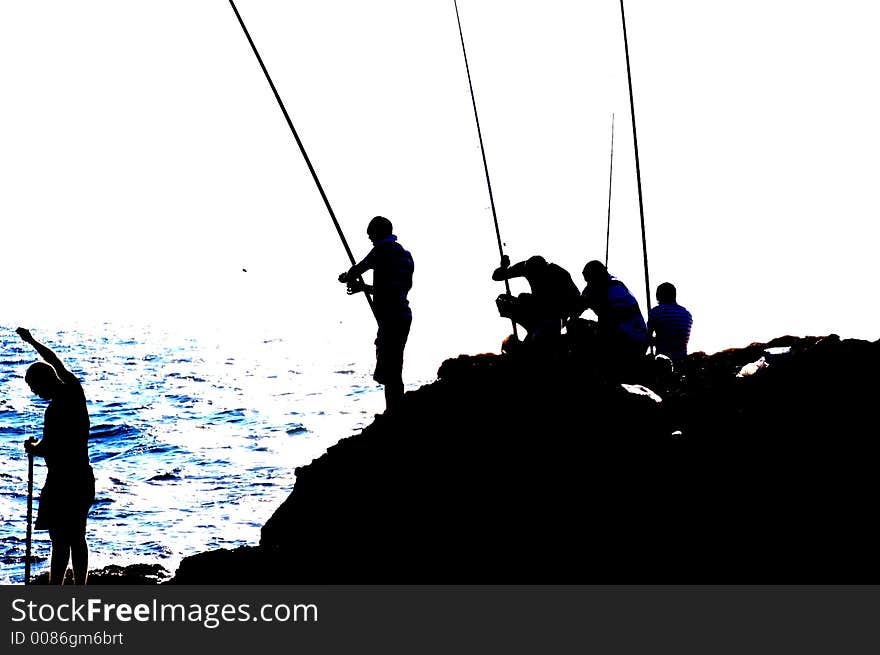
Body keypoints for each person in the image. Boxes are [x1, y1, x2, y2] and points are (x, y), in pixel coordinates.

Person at [17, 327, 95, 585]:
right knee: (66, 538)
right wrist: (36, 448)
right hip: (69, 478)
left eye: (33, 387)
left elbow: (54, 361)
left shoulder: (71, 391)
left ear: (43, 381)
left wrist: (32, 341)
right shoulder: (66, 399)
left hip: (69, 480)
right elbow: (50, 446)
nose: (34, 393)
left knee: (68, 538)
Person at [338, 216, 414, 411]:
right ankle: (395, 409)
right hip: (403, 316)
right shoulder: (405, 255)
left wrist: (346, 277)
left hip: (390, 319)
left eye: (371, 235)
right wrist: (363, 288)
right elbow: (390, 289)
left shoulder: (381, 251)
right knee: (395, 366)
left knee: (390, 370)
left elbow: (357, 269)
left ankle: (394, 412)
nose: (370, 239)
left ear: (378, 233)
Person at [491, 255, 580, 344]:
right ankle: (532, 329)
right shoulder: (524, 267)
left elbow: (576, 296)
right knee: (505, 299)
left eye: (537, 274)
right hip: (536, 307)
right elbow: (497, 276)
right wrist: (503, 267)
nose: (534, 277)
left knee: (526, 299)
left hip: (554, 310)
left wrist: (568, 320)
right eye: (531, 274)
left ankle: (540, 332)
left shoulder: (560, 273)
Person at [577, 260, 648, 368]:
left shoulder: (615, 288)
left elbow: (613, 320)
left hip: (632, 338)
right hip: (621, 334)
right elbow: (578, 307)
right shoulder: (594, 288)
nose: (588, 284)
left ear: (597, 277)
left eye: (590, 281)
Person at [647, 282, 693, 361]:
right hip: (683, 360)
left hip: (663, 362)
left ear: (658, 296)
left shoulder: (656, 312)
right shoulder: (687, 314)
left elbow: (647, 338)